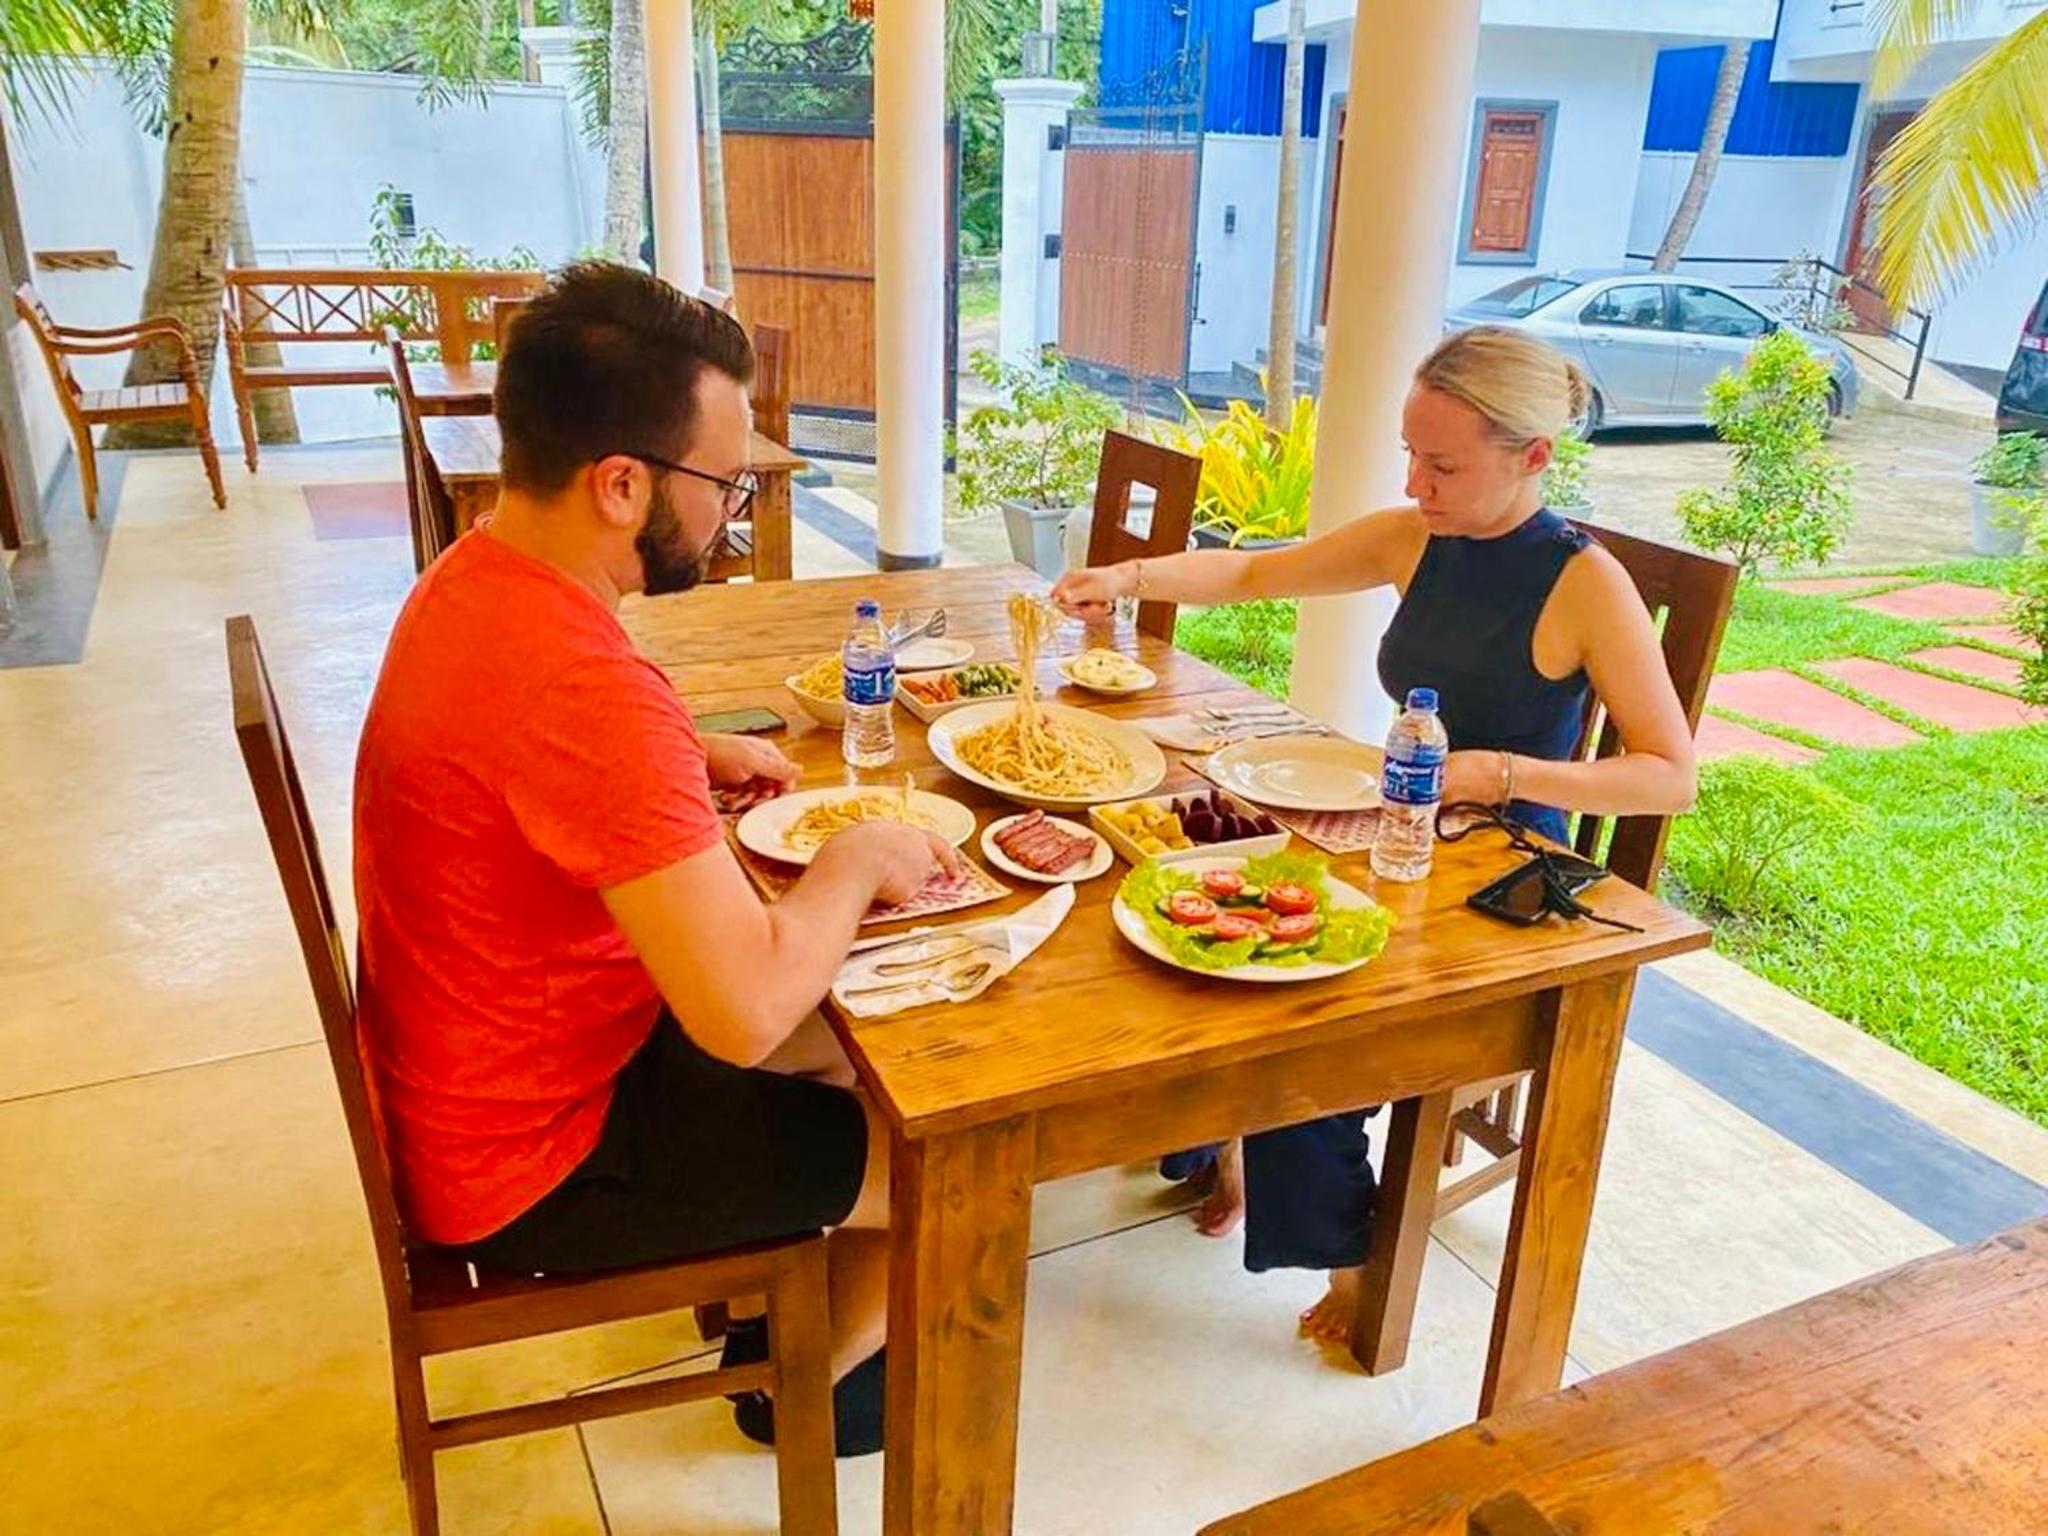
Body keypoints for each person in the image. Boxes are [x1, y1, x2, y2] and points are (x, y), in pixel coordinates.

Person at [353, 261, 958, 1454]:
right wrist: (860, 853)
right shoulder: (582, 687)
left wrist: (682, 751)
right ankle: (792, 1386)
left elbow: (550, 755)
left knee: (868, 1044)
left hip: (485, 1081)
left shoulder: (477, 579)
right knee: (943, 1151)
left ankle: (775, 1294)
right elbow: (740, 1013)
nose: (730, 513)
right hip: (536, 1162)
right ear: (621, 483)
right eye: (722, 484)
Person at [1050, 325, 1696, 1346]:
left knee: (1309, 1014)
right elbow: (1258, 576)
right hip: (1396, 832)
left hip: (1504, 881)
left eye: (1441, 465)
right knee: (1196, 913)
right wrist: (1127, 580)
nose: (1413, 483)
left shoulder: (1584, 581)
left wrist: (1498, 772)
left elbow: (1669, 777)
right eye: (1410, 454)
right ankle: (1223, 1135)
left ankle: (1345, 1254)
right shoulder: (1415, 537)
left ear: (1532, 456)